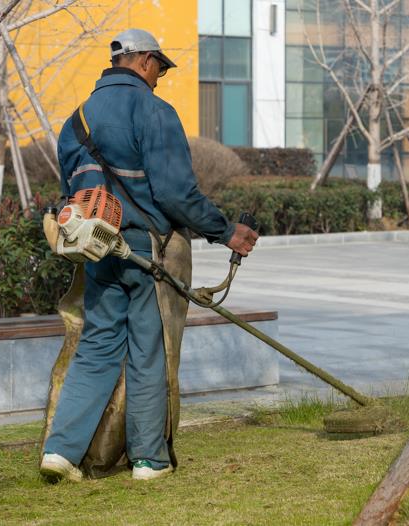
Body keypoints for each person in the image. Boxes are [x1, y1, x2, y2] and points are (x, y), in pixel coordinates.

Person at [40, 28, 258, 482]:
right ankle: (148, 459)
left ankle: (60, 452)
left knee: (98, 346)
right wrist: (225, 232)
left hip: (97, 247)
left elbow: (72, 195)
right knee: (148, 349)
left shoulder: (76, 120)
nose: (159, 76)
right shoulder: (154, 111)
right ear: (142, 62)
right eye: (159, 66)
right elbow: (176, 193)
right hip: (147, 249)